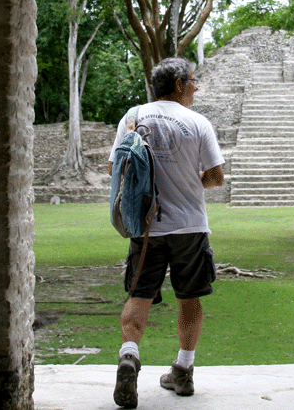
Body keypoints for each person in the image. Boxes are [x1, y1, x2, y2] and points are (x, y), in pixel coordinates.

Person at [106, 57, 225, 409]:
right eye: (192, 81)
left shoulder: (133, 117)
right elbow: (216, 177)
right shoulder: (197, 122)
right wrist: (191, 182)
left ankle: (129, 355)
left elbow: (116, 168)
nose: (196, 87)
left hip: (146, 226)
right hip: (189, 226)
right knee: (190, 298)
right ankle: (183, 371)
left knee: (139, 295)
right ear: (178, 84)